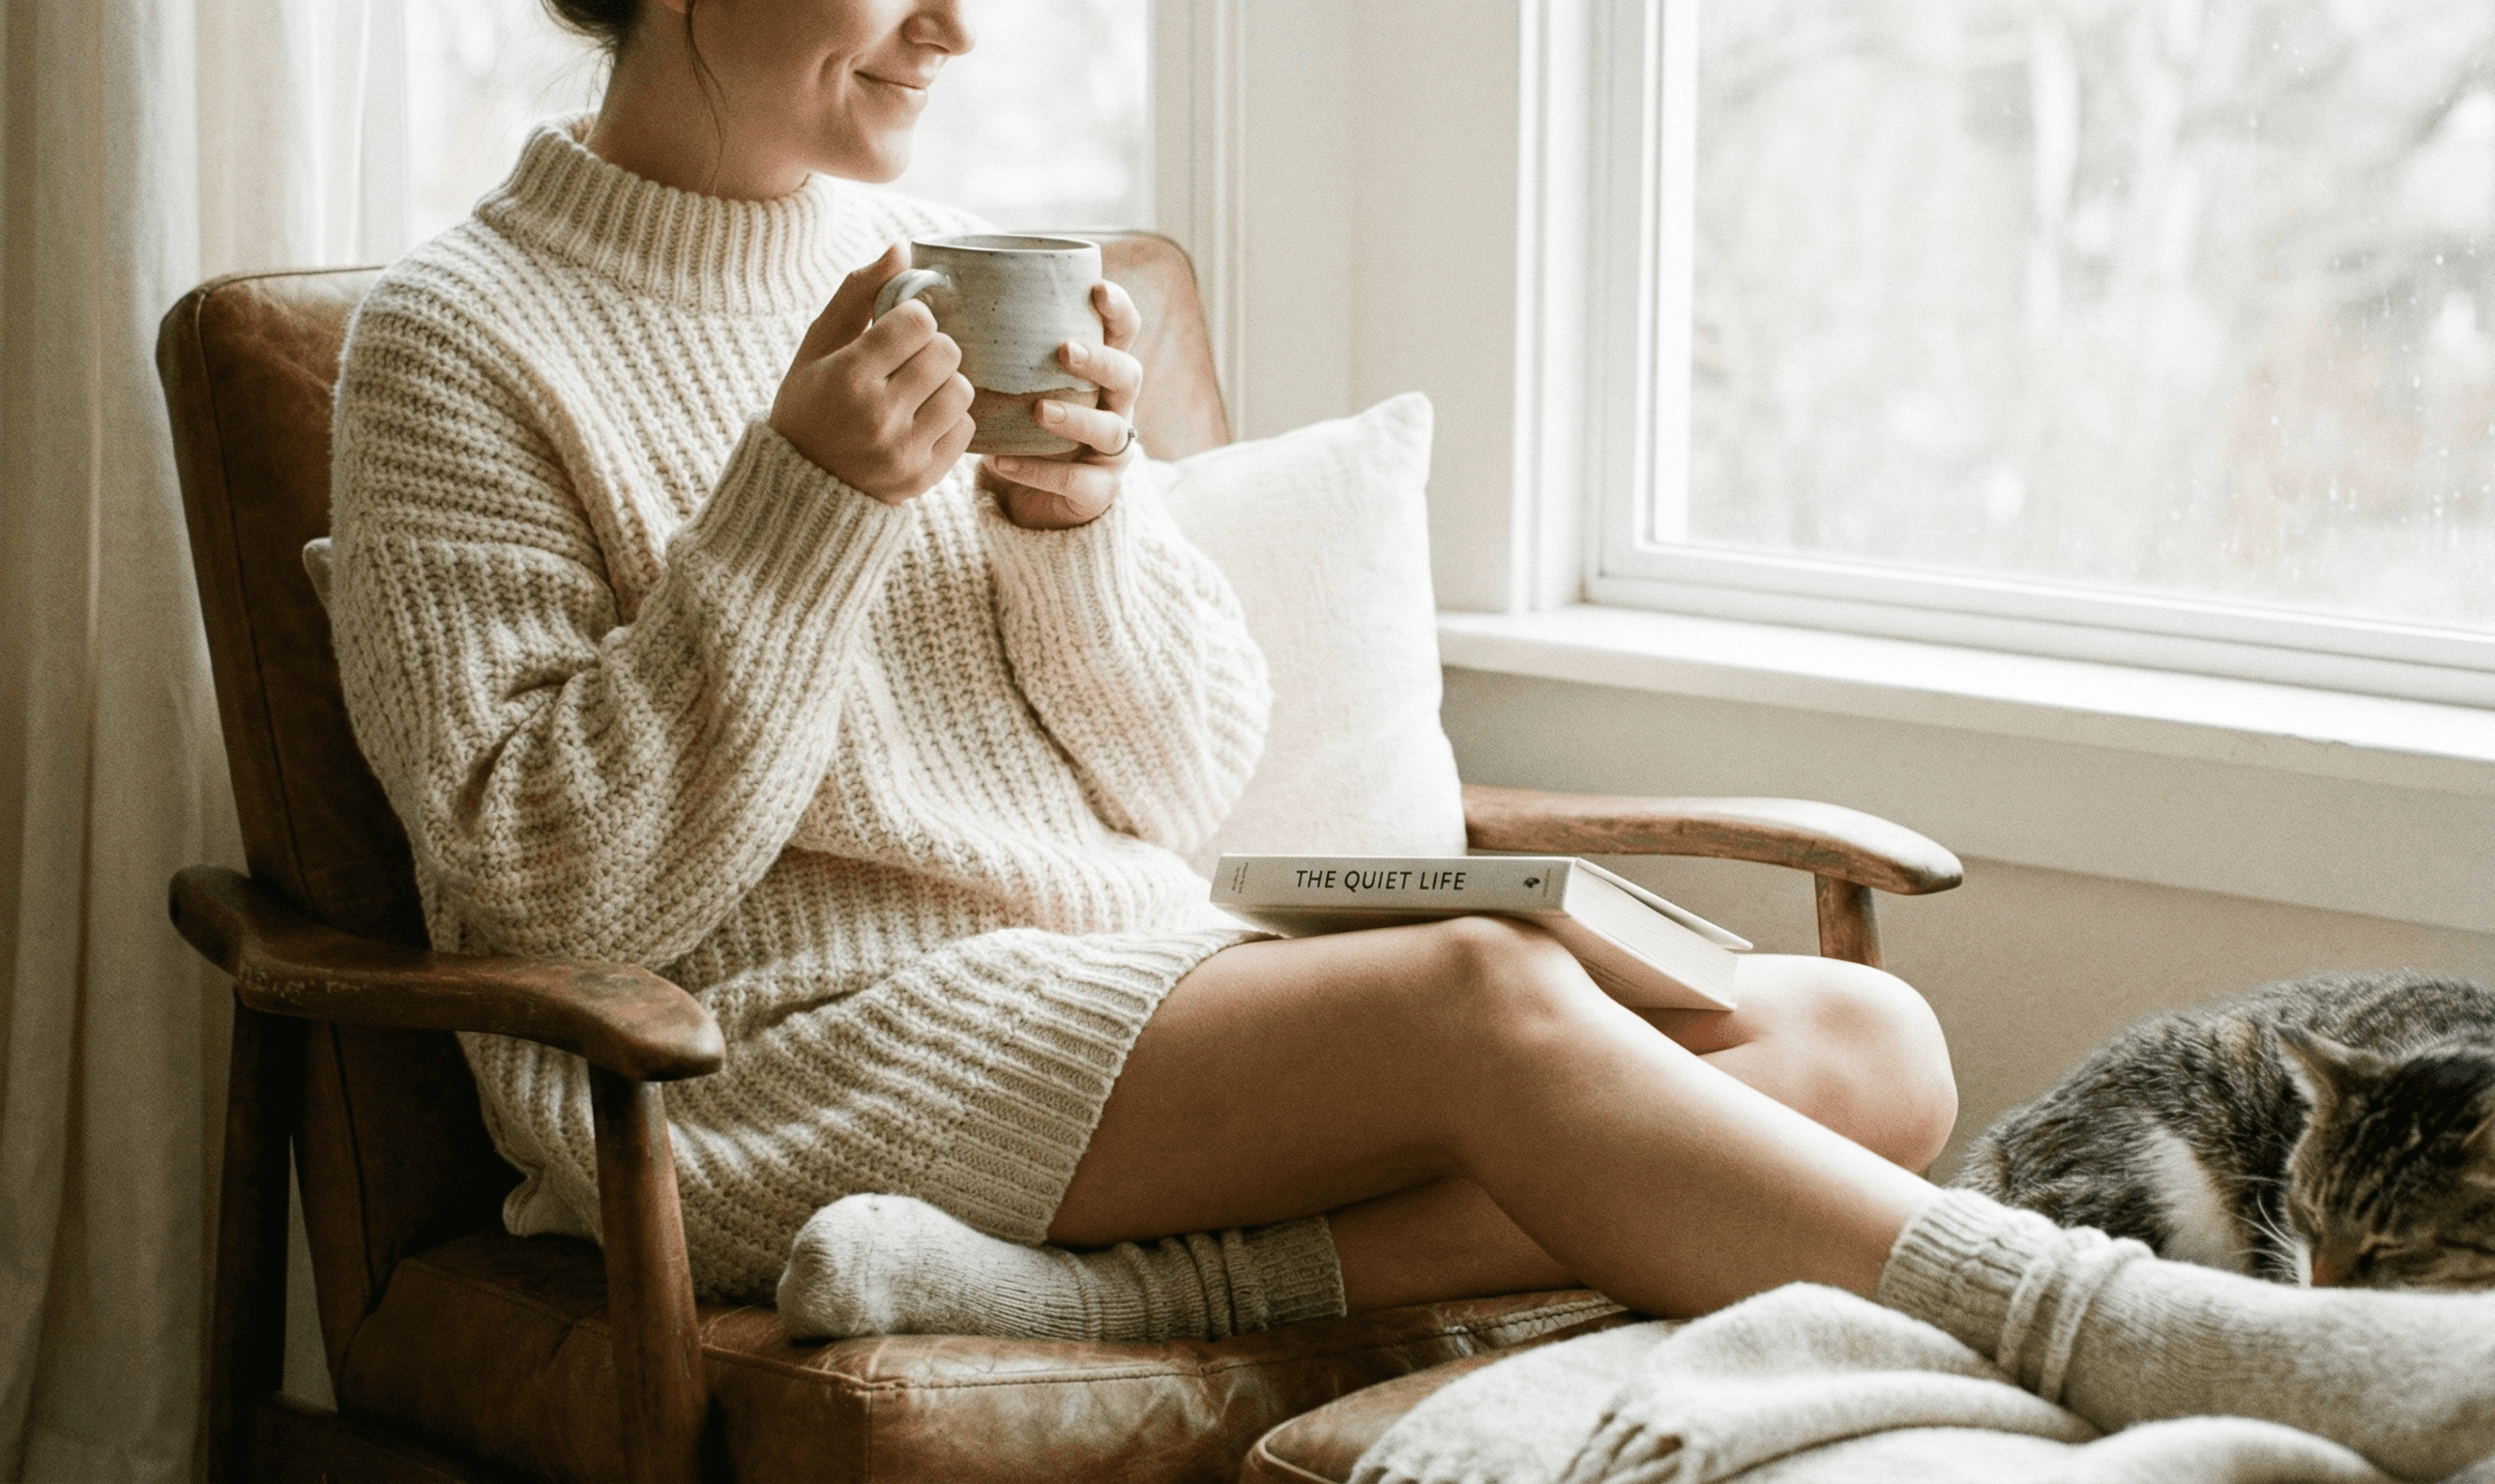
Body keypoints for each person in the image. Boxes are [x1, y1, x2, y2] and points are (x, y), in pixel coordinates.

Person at [327, 3, 2493, 1476]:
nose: (960, 26)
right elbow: (543, 881)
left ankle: (1077, 1292)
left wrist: (1080, 526)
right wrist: (796, 510)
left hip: (1112, 996)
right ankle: (2154, 1335)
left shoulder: (920, 269)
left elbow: (1176, 782)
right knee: (1483, 996)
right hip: (781, 1050)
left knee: (1862, 1047)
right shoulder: (461, 338)